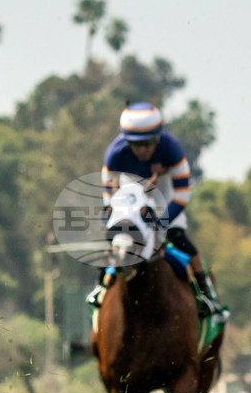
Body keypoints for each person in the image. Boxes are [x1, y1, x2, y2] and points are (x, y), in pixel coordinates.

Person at [88, 102, 221, 316]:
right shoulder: (114, 153)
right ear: (125, 140)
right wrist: (112, 222)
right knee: (115, 238)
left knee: (177, 236)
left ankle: (206, 292)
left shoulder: (171, 148)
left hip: (165, 189)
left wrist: (161, 225)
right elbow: (109, 197)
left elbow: (182, 193)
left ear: (158, 137)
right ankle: (100, 285)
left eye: (148, 143)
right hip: (129, 190)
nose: (143, 150)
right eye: (135, 144)